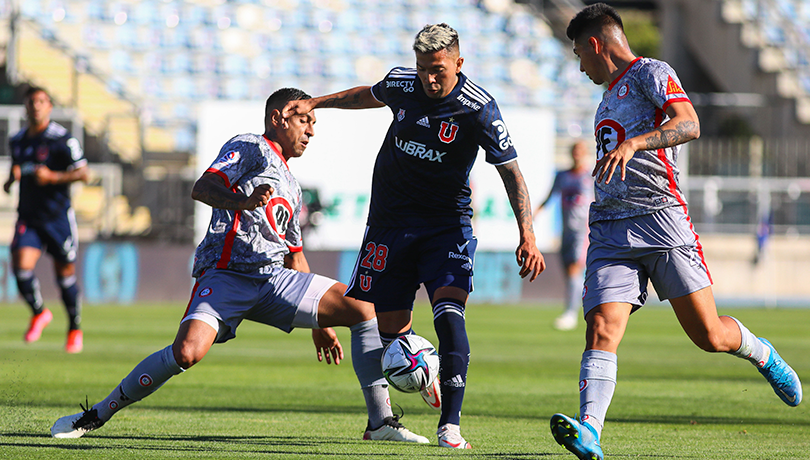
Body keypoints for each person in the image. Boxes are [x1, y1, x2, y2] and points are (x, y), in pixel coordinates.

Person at [50, 88, 428, 444]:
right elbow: (202, 188)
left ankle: (380, 422)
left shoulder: (292, 186)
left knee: (362, 308)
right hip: (227, 274)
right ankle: (97, 414)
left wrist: (321, 325)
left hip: (274, 278)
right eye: (304, 120)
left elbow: (294, 254)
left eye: (314, 124)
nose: (311, 130)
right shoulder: (250, 146)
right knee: (186, 354)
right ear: (278, 118)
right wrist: (242, 202)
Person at [548, 4, 803, 460]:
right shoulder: (607, 97)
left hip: (662, 221)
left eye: (578, 55)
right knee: (602, 327)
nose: (579, 66)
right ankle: (590, 430)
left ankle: (761, 352)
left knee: (709, 336)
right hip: (610, 231)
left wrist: (636, 141)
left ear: (594, 45)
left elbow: (689, 124)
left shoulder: (651, 72)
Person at [282, 24, 545, 449]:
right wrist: (317, 102)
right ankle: (419, 371)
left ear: (459, 63)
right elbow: (367, 94)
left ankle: (450, 426)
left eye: (438, 69)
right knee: (388, 333)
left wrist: (527, 236)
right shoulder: (404, 83)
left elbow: (512, 173)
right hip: (388, 224)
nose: (429, 78)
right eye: (424, 69)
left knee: (449, 312)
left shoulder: (479, 109)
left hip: (446, 227)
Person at [4, 86, 88, 353]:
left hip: (57, 218)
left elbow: (83, 173)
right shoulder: (17, 139)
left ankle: (74, 328)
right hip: (28, 216)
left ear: (50, 106)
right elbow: (17, 168)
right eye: (31, 101)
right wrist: (10, 180)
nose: (36, 106)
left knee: (65, 276)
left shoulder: (62, 139)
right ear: (26, 107)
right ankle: (39, 312)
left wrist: (54, 177)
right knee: (20, 266)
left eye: (41, 101)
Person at [534, 140, 593, 331]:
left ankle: (570, 314)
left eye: (580, 151)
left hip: (582, 230)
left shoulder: (591, 176)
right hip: (566, 230)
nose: (577, 154)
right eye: (574, 150)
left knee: (576, 268)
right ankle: (577, 307)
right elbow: (551, 195)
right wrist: (537, 211)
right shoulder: (563, 176)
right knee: (569, 270)